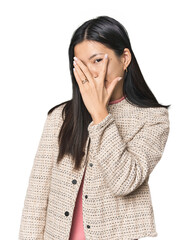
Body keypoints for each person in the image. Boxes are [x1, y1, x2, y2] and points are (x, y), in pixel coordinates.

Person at [18, 15, 170, 240]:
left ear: (125, 58)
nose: (91, 74)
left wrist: (100, 114)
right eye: (82, 65)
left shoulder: (153, 119)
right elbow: (37, 197)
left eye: (97, 60)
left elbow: (125, 181)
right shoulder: (60, 117)